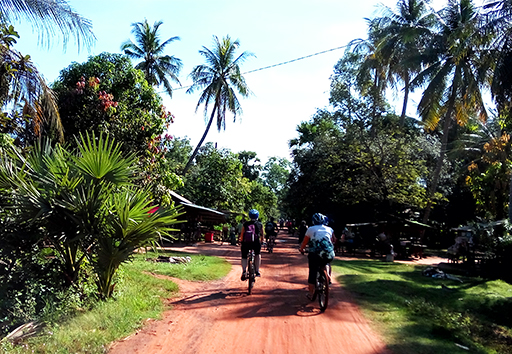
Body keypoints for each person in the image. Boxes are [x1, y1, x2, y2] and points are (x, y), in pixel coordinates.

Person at [299, 213, 335, 300]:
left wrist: (302, 249)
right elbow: (333, 240)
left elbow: (305, 242)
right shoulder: (329, 229)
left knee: (312, 272)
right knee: (325, 262)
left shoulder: (310, 229)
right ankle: (328, 277)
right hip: (329, 253)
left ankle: (311, 294)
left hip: (315, 254)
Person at [238, 209, 264, 280]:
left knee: (244, 256)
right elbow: (262, 234)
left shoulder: (245, 224)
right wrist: (262, 240)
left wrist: (241, 241)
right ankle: (257, 271)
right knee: (257, 254)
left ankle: (243, 271)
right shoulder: (260, 224)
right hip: (256, 243)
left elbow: (242, 234)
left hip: (246, 243)